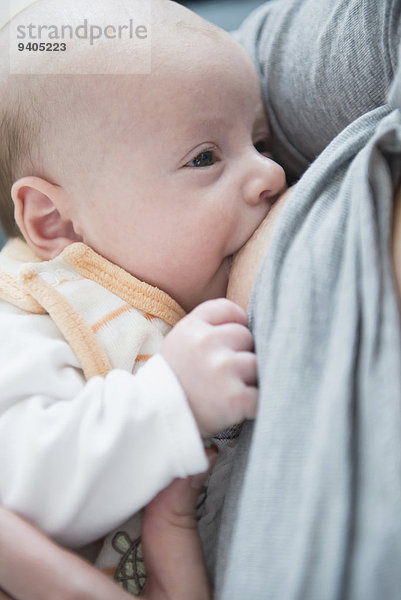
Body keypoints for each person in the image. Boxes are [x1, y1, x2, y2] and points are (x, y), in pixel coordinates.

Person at [0, 0, 285, 595]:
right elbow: (21, 487)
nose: (271, 175)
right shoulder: (31, 315)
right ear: (56, 222)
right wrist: (171, 399)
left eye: (260, 141)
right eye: (205, 157)